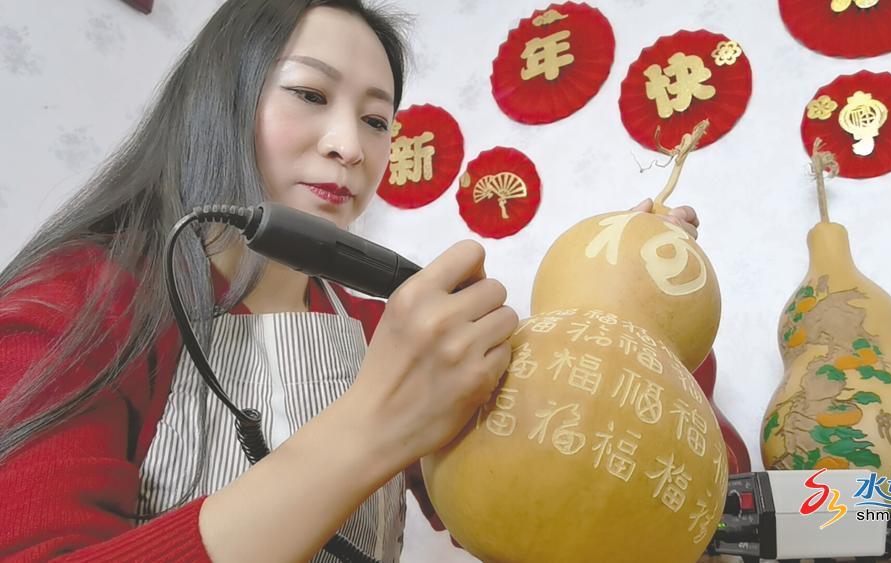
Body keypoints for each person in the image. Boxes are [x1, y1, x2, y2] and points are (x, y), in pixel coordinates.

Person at [0, 1, 701, 561]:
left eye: (375, 120)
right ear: (219, 99)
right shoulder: (77, 298)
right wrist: (374, 426)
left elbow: (532, 499)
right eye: (309, 93)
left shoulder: (374, 325)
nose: (350, 146)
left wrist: (635, 306)